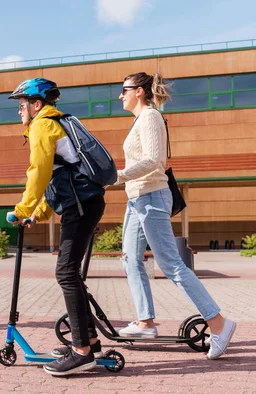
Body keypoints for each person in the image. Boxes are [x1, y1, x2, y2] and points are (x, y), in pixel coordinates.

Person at [115, 72, 235, 359]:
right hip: (136, 199)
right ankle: (145, 322)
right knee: (130, 258)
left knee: (171, 264)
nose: (120, 95)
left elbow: (154, 161)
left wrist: (117, 176)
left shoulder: (150, 117)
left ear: (140, 92)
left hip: (152, 196)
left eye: (124, 90)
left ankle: (219, 325)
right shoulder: (138, 120)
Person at [5, 78, 106, 376]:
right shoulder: (55, 123)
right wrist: (38, 214)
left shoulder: (42, 125)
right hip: (83, 203)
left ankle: (82, 351)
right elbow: (60, 178)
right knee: (70, 273)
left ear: (37, 104)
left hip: (82, 206)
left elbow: (38, 172)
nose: (19, 112)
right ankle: (87, 339)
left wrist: (21, 209)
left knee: (65, 273)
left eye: (22, 105)